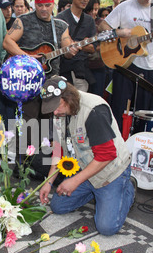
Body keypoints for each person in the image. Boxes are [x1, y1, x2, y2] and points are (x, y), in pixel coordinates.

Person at [39, 76, 135, 236]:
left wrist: (75, 180)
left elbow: (107, 155)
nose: (54, 112)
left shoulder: (93, 110)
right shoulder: (59, 114)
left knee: (107, 228)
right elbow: (58, 148)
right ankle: (93, 192)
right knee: (58, 206)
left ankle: (127, 188)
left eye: (57, 106)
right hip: (87, 169)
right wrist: (48, 182)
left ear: (67, 97)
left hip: (110, 173)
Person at [3, 0, 79, 155]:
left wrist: (72, 49)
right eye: (39, 5)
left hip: (50, 80)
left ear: (53, 4)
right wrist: (28, 59)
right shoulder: (23, 21)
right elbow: (7, 42)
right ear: (34, 4)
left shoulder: (61, 25)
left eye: (47, 5)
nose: (43, 9)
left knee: (47, 120)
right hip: (28, 80)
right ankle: (21, 160)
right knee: (27, 119)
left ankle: (41, 160)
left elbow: (67, 50)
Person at [98, 0, 153, 132]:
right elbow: (103, 27)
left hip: (150, 67)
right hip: (125, 65)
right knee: (118, 108)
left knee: (143, 114)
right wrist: (119, 32)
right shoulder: (126, 7)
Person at [57, 0, 97, 92]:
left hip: (80, 72)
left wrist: (77, 44)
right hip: (61, 70)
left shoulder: (89, 21)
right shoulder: (60, 18)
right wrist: (82, 42)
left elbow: (92, 48)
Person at [84, 0, 108, 97]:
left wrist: (93, 48)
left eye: (96, 9)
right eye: (92, 9)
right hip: (82, 67)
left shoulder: (101, 23)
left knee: (97, 96)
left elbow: (108, 44)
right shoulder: (81, 22)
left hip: (98, 66)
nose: (94, 12)